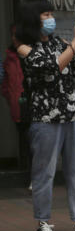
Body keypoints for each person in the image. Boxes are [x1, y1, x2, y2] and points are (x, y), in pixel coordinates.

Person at [15, 0, 75, 231]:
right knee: (44, 173)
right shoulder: (24, 48)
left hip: (74, 116)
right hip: (46, 118)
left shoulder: (61, 44)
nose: (50, 18)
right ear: (33, 19)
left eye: (51, 13)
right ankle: (43, 221)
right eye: (45, 14)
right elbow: (52, 66)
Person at [1, 25, 29, 179]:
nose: (14, 38)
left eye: (16, 35)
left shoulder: (34, 53)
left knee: (37, 143)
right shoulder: (10, 57)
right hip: (18, 105)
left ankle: (36, 177)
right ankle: (30, 176)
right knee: (25, 140)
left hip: (36, 106)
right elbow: (5, 82)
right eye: (12, 35)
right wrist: (10, 96)